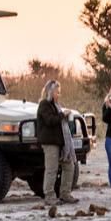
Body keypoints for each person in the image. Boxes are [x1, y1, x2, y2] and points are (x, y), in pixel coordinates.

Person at [35, 79, 77, 211]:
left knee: (69, 165)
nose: (59, 95)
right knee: (51, 169)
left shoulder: (56, 105)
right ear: (50, 92)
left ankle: (65, 193)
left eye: (59, 92)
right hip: (49, 142)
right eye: (57, 92)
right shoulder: (44, 105)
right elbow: (50, 121)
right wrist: (62, 115)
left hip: (60, 143)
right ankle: (49, 196)